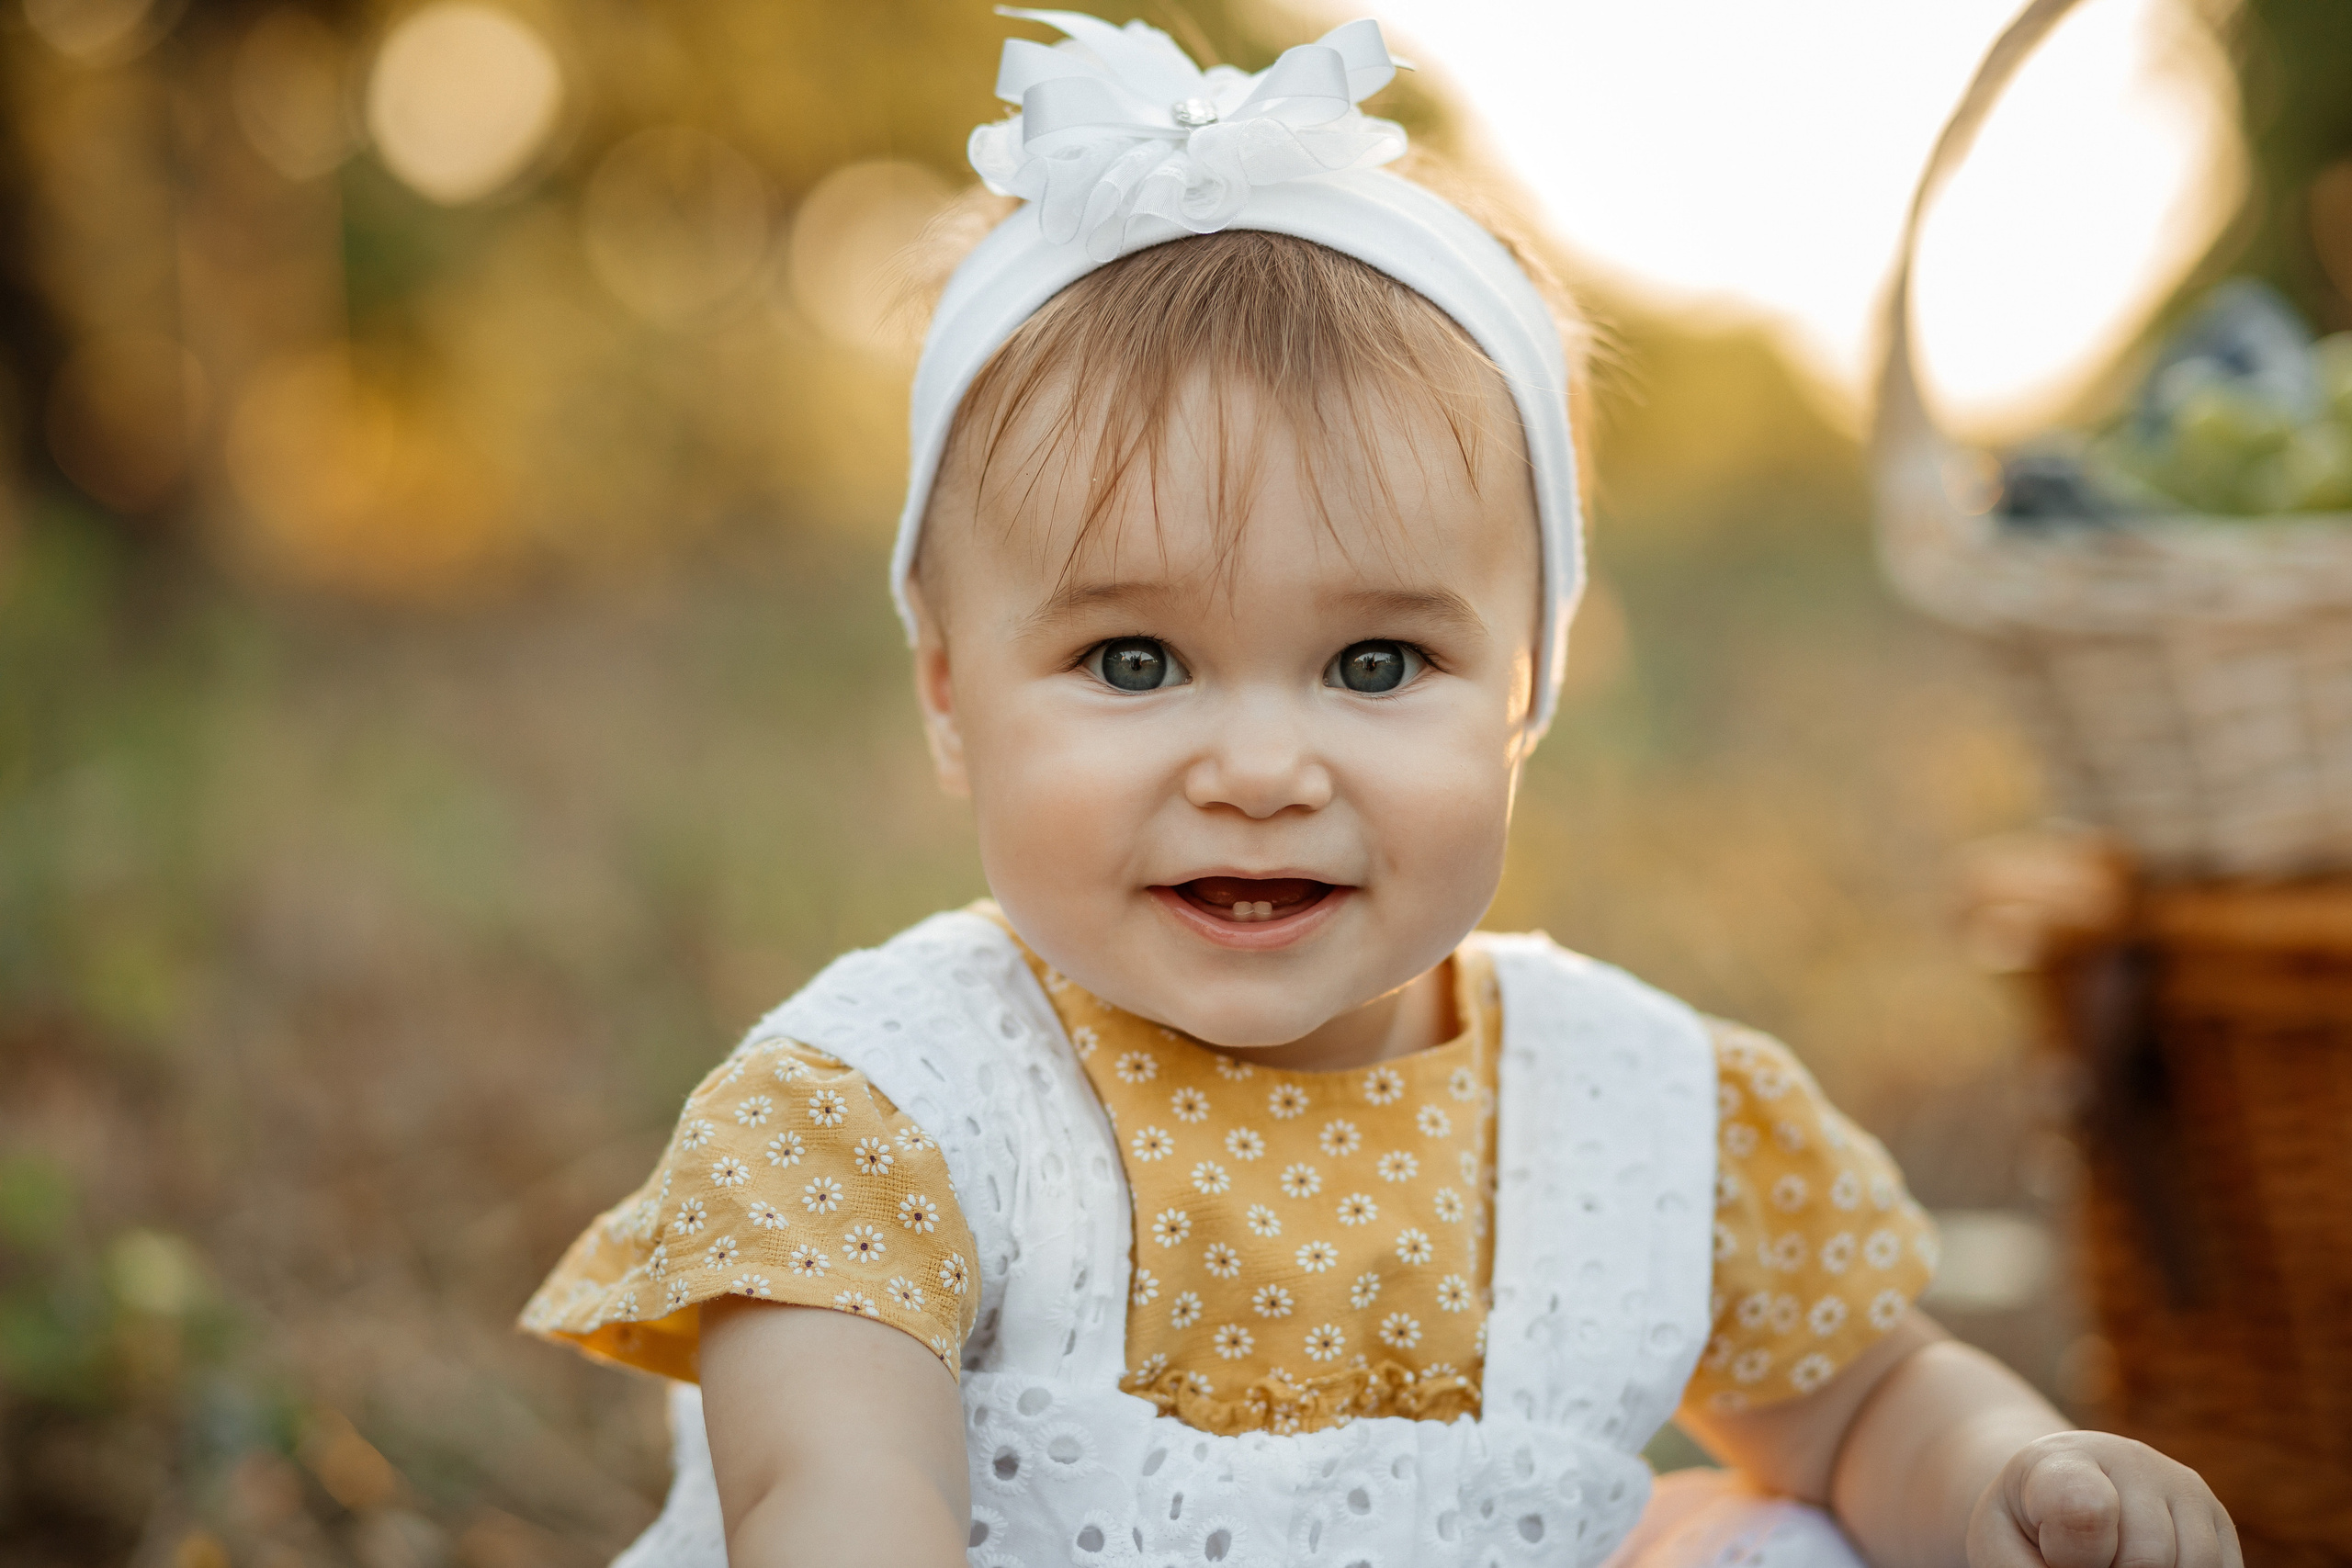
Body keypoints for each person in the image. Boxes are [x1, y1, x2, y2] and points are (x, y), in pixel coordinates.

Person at [521, 13, 2238, 1567]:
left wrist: (2016, 1477)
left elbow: (1863, 1412)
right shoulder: (884, 1109)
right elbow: (831, 1499)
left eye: (1373, 666)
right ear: (951, 693)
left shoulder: (1634, 1112)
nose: (1263, 769)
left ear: (1525, 693)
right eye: (1133, 661)